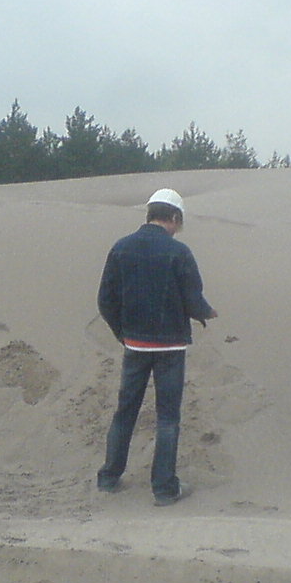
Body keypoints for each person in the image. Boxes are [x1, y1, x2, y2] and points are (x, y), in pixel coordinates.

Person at [96, 187, 218, 506]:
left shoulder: (121, 248)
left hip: (134, 345)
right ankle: (164, 489)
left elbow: (105, 301)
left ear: (150, 213)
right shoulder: (179, 253)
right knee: (167, 417)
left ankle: (109, 477)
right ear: (174, 217)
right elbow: (193, 300)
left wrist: (123, 333)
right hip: (170, 347)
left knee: (125, 411)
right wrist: (205, 313)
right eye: (180, 222)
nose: (179, 228)